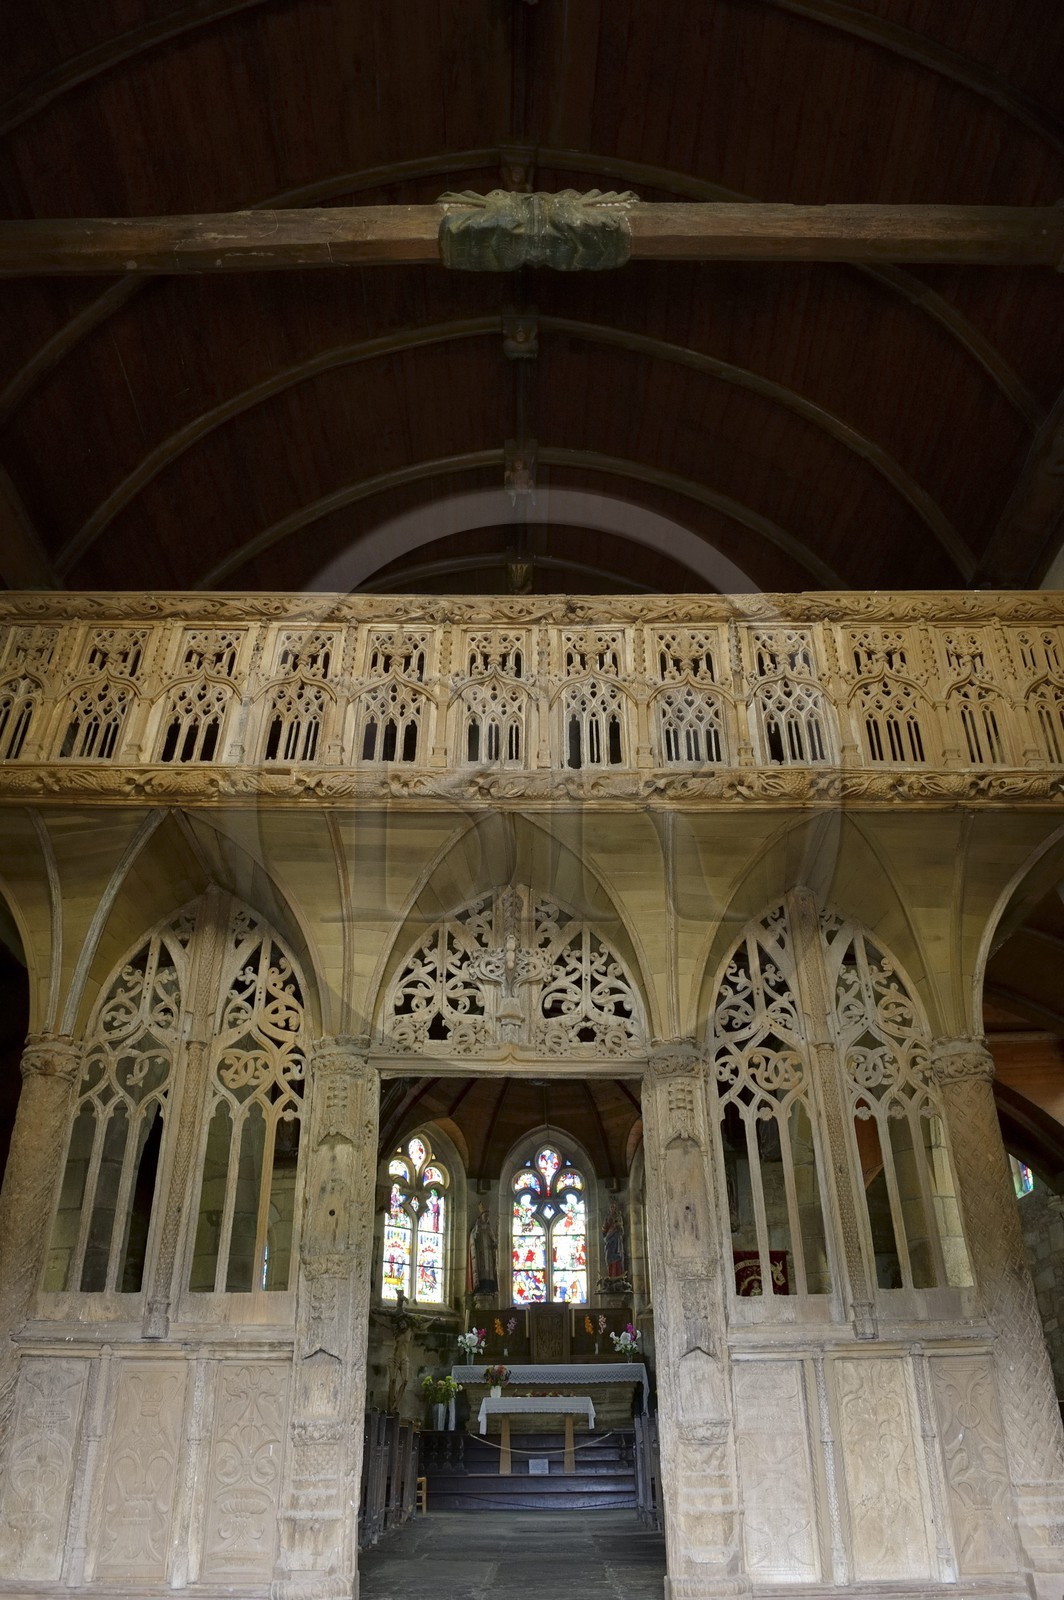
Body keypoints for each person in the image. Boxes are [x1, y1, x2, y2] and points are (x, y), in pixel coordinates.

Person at [467, 1202, 498, 1295]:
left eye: (488, 1216)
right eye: (485, 1215)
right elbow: (474, 1238)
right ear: (481, 1216)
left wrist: (494, 1244)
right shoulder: (477, 1227)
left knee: (489, 1271)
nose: (487, 1217)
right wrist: (477, 1230)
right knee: (481, 1270)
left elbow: (493, 1238)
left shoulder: (488, 1227)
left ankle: (489, 1286)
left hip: (488, 1253)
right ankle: (481, 1287)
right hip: (480, 1253)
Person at [601, 1198, 627, 1280]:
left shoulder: (618, 1217)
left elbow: (622, 1230)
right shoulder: (607, 1217)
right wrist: (606, 1226)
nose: (612, 1208)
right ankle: (610, 1275)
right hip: (609, 1239)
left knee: (617, 1256)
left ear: (616, 1208)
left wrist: (617, 1225)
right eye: (611, 1207)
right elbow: (604, 1230)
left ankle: (618, 1275)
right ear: (609, 1208)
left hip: (616, 1239)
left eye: (614, 1207)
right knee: (609, 1256)